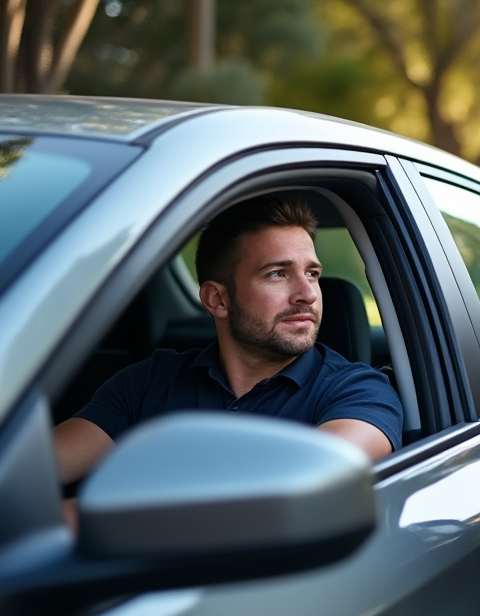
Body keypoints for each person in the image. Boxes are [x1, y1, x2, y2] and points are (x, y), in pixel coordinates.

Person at [53, 195, 403, 491]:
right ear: (217, 299)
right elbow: (39, 471)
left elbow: (298, 488)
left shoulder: (359, 393)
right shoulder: (146, 383)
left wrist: (84, 516)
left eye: (312, 273)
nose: (307, 294)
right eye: (277, 274)